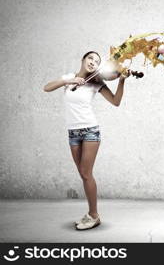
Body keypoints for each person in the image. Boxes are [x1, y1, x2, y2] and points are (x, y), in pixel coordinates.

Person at [43, 51, 131, 230]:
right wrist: (69, 81)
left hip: (90, 130)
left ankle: (94, 215)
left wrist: (121, 81)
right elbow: (47, 87)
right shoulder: (69, 78)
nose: (93, 62)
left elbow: (116, 101)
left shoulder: (96, 83)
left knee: (86, 172)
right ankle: (92, 214)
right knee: (83, 174)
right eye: (90, 58)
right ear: (83, 60)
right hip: (73, 132)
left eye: (97, 61)